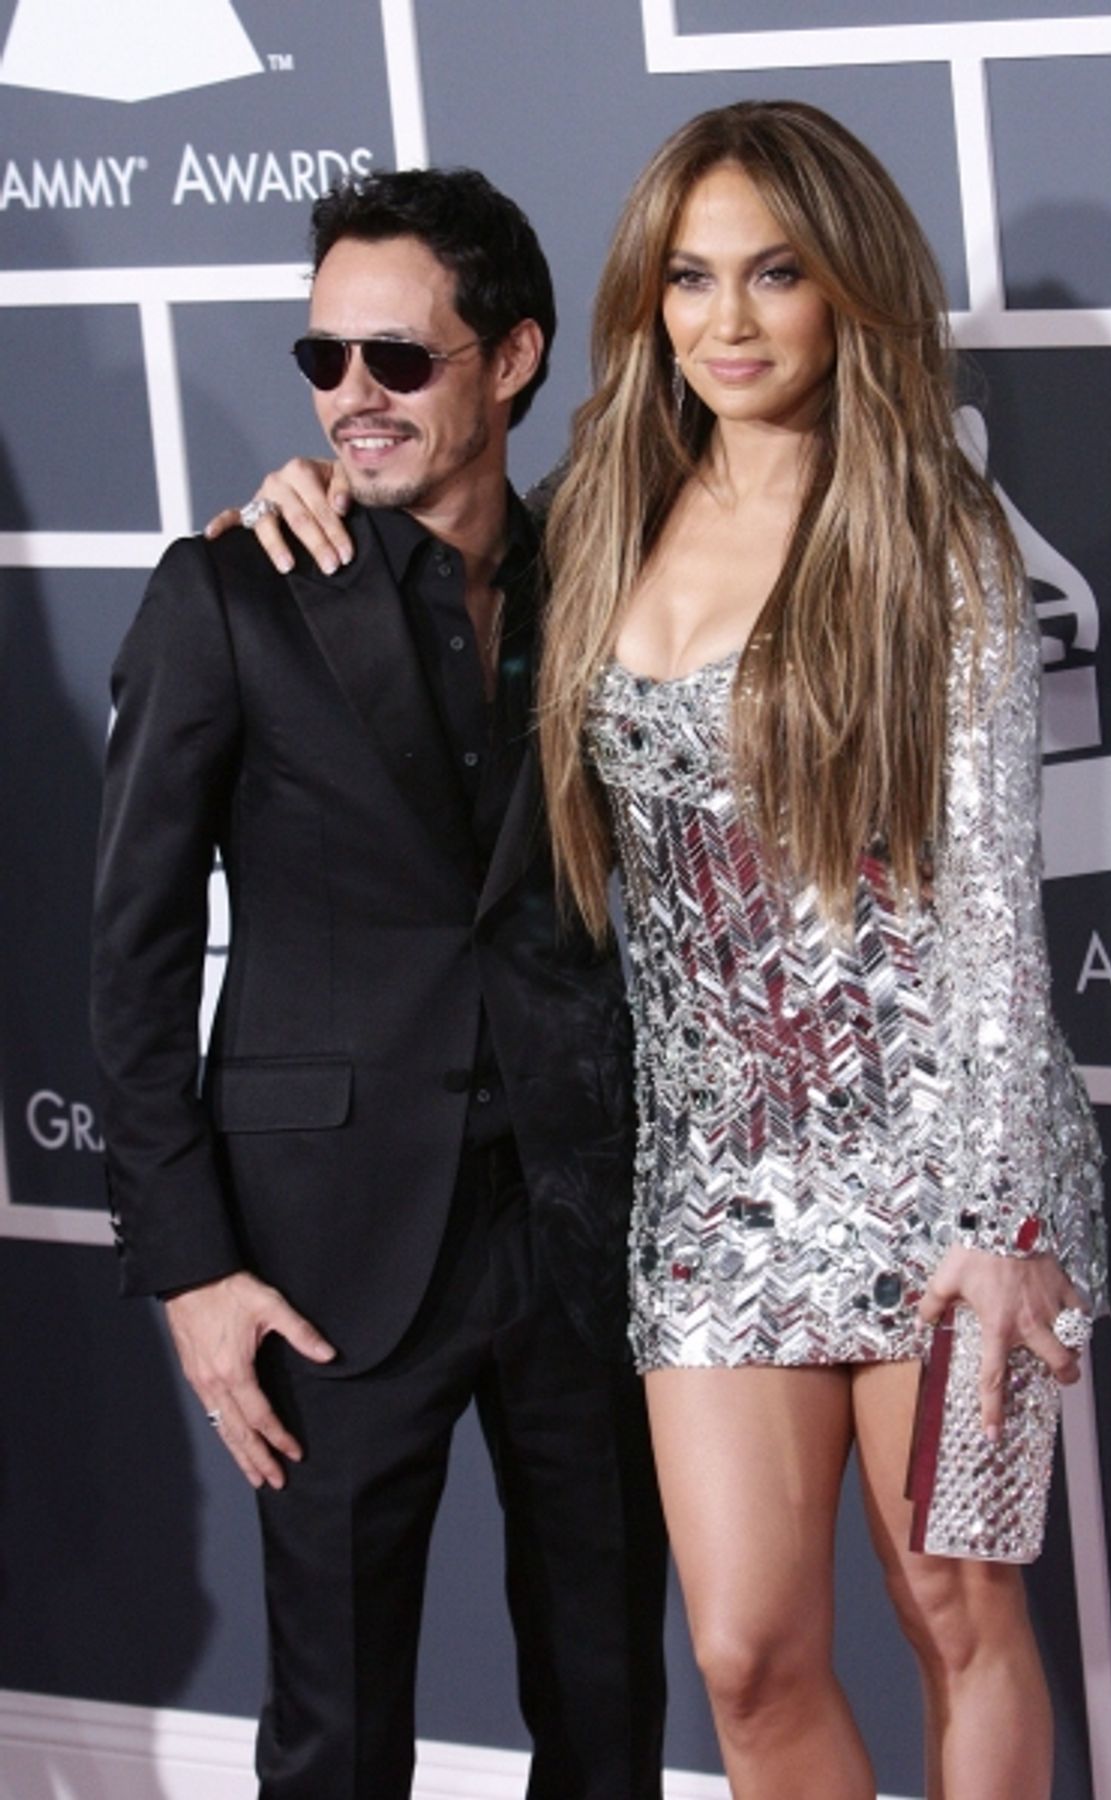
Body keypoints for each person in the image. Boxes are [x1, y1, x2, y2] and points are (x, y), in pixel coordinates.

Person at [222, 106, 1108, 1798]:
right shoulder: (600, 520)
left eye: (778, 272)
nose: (732, 319)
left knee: (957, 1616)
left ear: (852, 291)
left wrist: (1004, 1223)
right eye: (693, 277)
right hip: (707, 1191)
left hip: (953, 1173)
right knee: (745, 1654)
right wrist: (314, 481)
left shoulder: (942, 543)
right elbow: (429, 522)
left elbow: (999, 911)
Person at [91, 167, 666, 1800]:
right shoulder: (226, 592)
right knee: (337, 1738)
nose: (354, 398)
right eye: (324, 362)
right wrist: (192, 1268)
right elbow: (128, 961)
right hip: (327, 1255)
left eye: (398, 362)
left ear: (514, 359)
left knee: (609, 1714)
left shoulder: (603, 587)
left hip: (580, 1231)